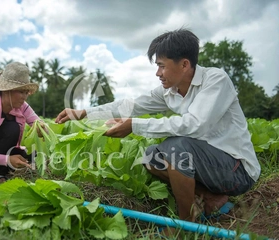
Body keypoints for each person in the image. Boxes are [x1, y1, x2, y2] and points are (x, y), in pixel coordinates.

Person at [55, 28, 260, 224]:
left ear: (185, 64)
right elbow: (130, 106)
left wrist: (134, 126)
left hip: (237, 170)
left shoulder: (215, 80)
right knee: (151, 156)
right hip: (207, 165)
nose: (158, 73)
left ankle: (186, 224)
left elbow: (195, 125)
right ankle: (210, 197)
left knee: (177, 148)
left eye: (162, 66)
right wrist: (84, 113)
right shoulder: (169, 91)